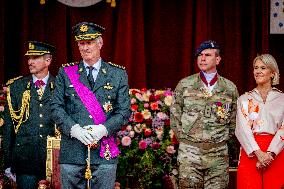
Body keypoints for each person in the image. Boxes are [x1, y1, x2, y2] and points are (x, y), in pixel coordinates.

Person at [50, 21, 131, 189]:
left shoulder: (117, 74)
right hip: (72, 152)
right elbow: (55, 107)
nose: (85, 47)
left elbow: (124, 111)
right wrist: (74, 129)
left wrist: (104, 129)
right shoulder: (66, 73)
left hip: (104, 153)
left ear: (100, 43)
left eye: (90, 42)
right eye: (81, 43)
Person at [170, 40, 239, 189]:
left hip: (218, 156)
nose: (202, 58)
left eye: (207, 55)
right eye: (200, 55)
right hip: (190, 154)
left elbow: (234, 122)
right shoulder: (185, 85)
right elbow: (175, 118)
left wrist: (219, 140)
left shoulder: (229, 88)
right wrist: (187, 142)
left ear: (218, 59)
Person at [3, 41, 56, 189]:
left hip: (53, 160)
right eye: (29, 58)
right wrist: (8, 163)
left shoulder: (60, 86)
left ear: (48, 60)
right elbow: (8, 128)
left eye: (35, 58)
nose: (30, 62)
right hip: (25, 160)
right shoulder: (17, 86)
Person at [235, 54, 284, 189]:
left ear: (272, 73)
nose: (258, 71)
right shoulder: (244, 99)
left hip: (277, 152)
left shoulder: (282, 99)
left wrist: (270, 154)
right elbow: (241, 129)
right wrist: (258, 153)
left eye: (263, 68)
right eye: (255, 68)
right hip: (250, 151)